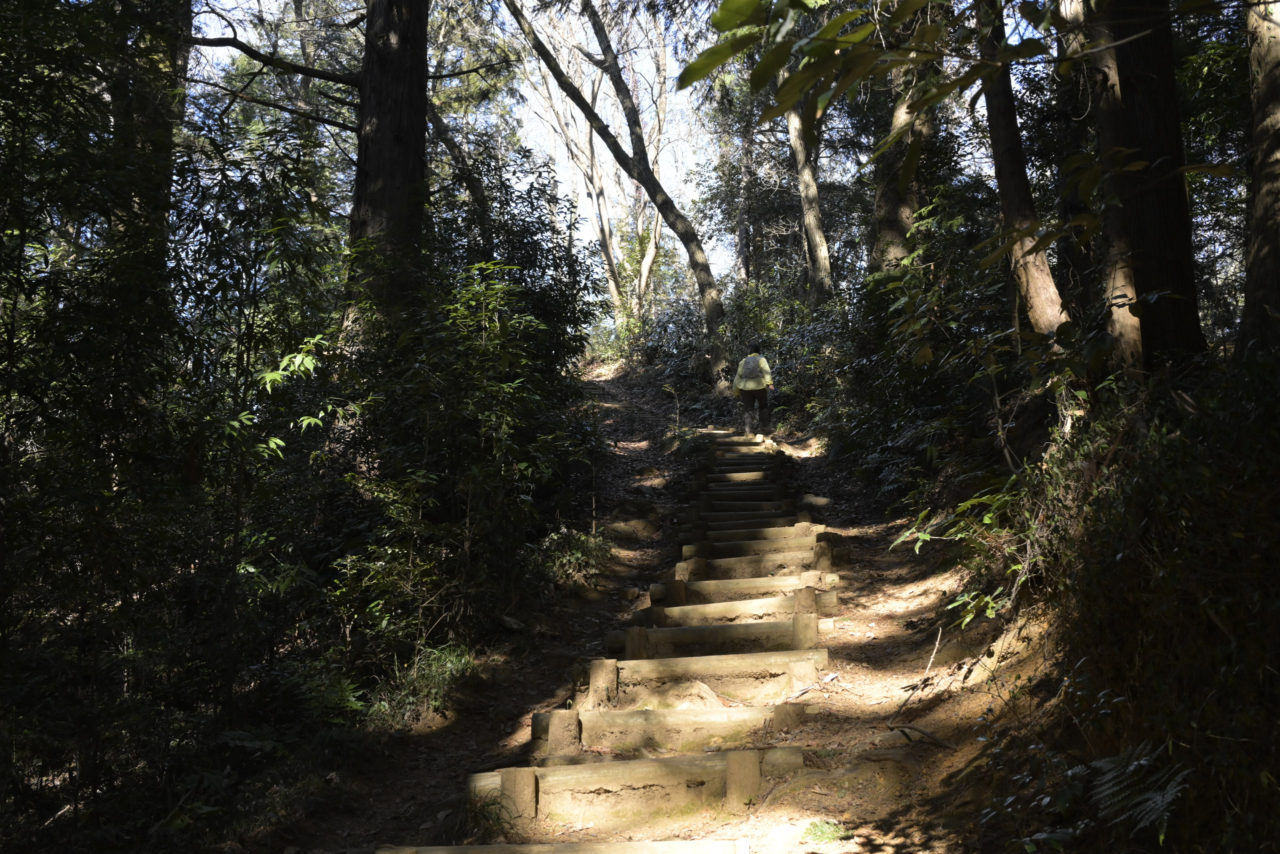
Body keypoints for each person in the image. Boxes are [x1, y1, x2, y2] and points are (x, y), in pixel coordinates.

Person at [732, 341, 774, 436]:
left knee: (748, 409)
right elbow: (766, 371)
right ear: (759, 350)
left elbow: (737, 377)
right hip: (759, 387)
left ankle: (748, 430)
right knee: (763, 406)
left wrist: (736, 391)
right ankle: (764, 428)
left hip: (745, 388)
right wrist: (770, 383)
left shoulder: (743, 361)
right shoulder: (761, 359)